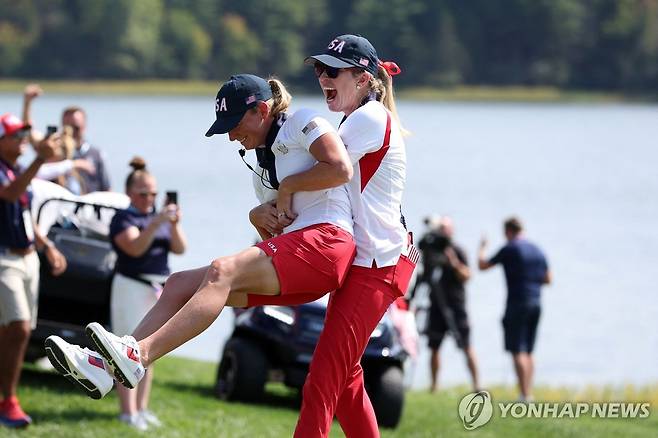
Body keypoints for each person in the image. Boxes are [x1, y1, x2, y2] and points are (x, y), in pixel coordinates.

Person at [44, 74, 357, 410]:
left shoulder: (303, 121)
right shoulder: (262, 167)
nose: (232, 135)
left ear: (262, 110)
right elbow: (276, 237)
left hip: (328, 243)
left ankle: (140, 355)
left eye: (235, 124)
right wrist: (258, 217)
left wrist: (288, 187)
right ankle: (104, 367)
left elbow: (340, 168)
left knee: (222, 270)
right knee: (178, 284)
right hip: (304, 256)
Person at [294, 34, 417, 437]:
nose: (322, 77)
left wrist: (280, 186)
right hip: (373, 263)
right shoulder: (360, 117)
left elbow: (324, 167)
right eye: (318, 69)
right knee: (345, 380)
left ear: (363, 78)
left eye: (332, 70)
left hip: (375, 267)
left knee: (321, 383)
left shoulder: (369, 118)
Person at [108, 157, 187, 430]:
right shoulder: (123, 217)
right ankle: (127, 412)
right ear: (130, 193)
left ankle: (141, 409)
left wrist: (173, 223)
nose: (148, 198)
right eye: (143, 193)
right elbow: (134, 248)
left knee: (148, 351)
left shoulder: (160, 218)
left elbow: (179, 248)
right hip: (131, 285)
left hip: (157, 288)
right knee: (125, 350)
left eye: (153, 193)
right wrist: (155, 223)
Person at [0, 113, 67, 428]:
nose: (23, 140)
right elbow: (10, 193)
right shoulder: (8, 174)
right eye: (16, 135)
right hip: (4, 260)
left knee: (14, 332)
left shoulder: (14, 170)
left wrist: (46, 245)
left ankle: (7, 397)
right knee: (20, 327)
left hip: (26, 259)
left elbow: (22, 209)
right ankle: (9, 401)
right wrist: (40, 160)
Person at [478, 216, 551, 401]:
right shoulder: (537, 249)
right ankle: (528, 393)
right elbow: (548, 279)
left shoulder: (510, 248)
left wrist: (482, 247)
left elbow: (482, 265)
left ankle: (524, 395)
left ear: (508, 231)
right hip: (536, 302)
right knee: (529, 351)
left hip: (517, 302)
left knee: (517, 350)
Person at [412, 216, 479, 393]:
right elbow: (423, 276)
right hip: (436, 305)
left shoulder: (457, 250)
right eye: (440, 228)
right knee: (434, 346)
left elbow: (467, 276)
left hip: (456, 304)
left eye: (445, 228)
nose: (442, 232)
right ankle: (434, 386)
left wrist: (454, 263)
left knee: (466, 345)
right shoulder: (431, 251)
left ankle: (477, 385)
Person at [22, 85, 97, 195]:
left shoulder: (92, 155)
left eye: (75, 127)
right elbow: (28, 131)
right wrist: (27, 103)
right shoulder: (53, 143)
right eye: (67, 125)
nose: (70, 130)